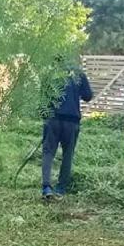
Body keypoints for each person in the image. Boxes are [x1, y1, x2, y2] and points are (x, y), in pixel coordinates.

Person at [41, 63, 93, 198]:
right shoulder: (78, 74)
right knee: (67, 154)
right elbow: (88, 96)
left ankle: (46, 187)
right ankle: (61, 188)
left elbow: (42, 97)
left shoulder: (51, 72)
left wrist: (44, 118)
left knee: (48, 152)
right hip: (71, 121)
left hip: (53, 118)